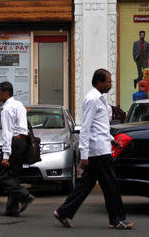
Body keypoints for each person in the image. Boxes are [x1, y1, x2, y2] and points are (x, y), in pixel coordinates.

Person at [53, 69, 135, 230]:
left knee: (86, 185)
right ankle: (116, 219)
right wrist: (84, 155)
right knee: (111, 185)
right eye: (108, 82)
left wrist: (112, 140)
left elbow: (100, 127)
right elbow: (86, 128)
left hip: (102, 147)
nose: (110, 85)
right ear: (98, 82)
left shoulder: (99, 99)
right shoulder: (92, 99)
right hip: (98, 151)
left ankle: (63, 212)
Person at [0, 81, 35, 217]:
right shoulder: (19, 105)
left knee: (1, 174)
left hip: (14, 142)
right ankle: (12, 208)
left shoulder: (7, 110)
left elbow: (7, 133)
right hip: (23, 142)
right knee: (13, 175)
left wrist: (6, 155)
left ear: (6, 93)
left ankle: (24, 195)